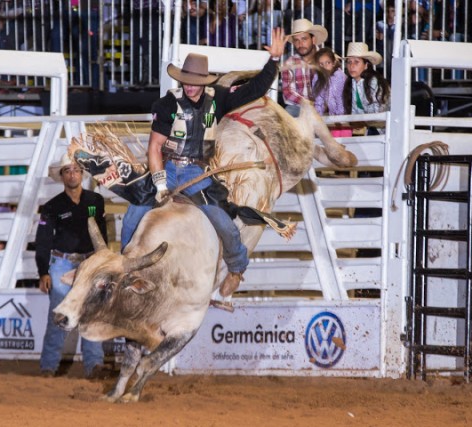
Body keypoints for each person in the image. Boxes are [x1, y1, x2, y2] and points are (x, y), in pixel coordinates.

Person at [121, 27, 286, 312]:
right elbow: (155, 147)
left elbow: (254, 90)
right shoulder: (167, 104)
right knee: (130, 218)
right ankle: (125, 271)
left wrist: (272, 62)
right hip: (169, 167)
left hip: (198, 172)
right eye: (187, 81)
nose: (191, 86)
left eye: (196, 82)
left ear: (204, 81)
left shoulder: (218, 99)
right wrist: (160, 184)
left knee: (225, 224)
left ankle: (236, 270)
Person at [35, 153, 107, 378]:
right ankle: (48, 366)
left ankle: (94, 364)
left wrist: (102, 261)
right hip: (61, 263)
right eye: (68, 171)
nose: (73, 174)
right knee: (59, 313)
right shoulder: (51, 207)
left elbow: (100, 231)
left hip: (88, 262)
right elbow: (43, 239)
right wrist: (43, 271)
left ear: (82, 174)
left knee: (91, 312)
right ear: (63, 176)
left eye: (76, 170)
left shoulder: (94, 202)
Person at [281, 18, 328, 117]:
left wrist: (322, 104)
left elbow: (337, 84)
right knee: (288, 112)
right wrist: (309, 104)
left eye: (304, 39)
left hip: (326, 106)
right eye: (296, 40)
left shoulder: (327, 59)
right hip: (299, 108)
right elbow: (288, 92)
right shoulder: (289, 63)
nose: (300, 44)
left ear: (313, 39)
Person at [343, 42, 390, 134]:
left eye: (356, 62)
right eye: (349, 62)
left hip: (384, 129)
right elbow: (354, 110)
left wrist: (359, 120)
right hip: (371, 127)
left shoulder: (374, 82)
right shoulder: (352, 82)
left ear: (366, 65)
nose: (352, 66)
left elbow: (376, 112)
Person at [312, 47, 351, 137]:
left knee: (344, 138)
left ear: (333, 63)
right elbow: (319, 100)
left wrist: (339, 118)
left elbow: (340, 99)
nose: (325, 66)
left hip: (345, 114)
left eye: (328, 63)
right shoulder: (317, 78)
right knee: (333, 138)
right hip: (333, 116)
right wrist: (318, 117)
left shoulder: (339, 76)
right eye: (321, 64)